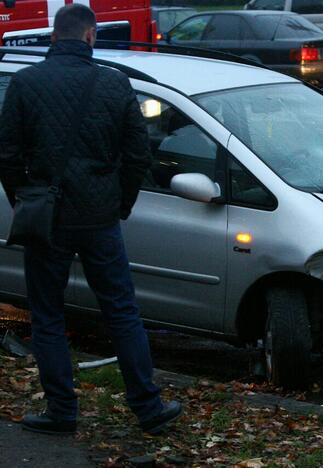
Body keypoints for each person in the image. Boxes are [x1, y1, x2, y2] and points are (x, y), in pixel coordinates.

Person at [0, 4, 182, 435]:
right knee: (121, 310)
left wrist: (26, 199)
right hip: (100, 217)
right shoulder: (115, 83)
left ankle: (62, 411)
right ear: (91, 36)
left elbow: (6, 155)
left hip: (47, 219)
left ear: (52, 38)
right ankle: (148, 407)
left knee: (47, 315)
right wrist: (121, 203)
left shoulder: (26, 84)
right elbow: (139, 154)